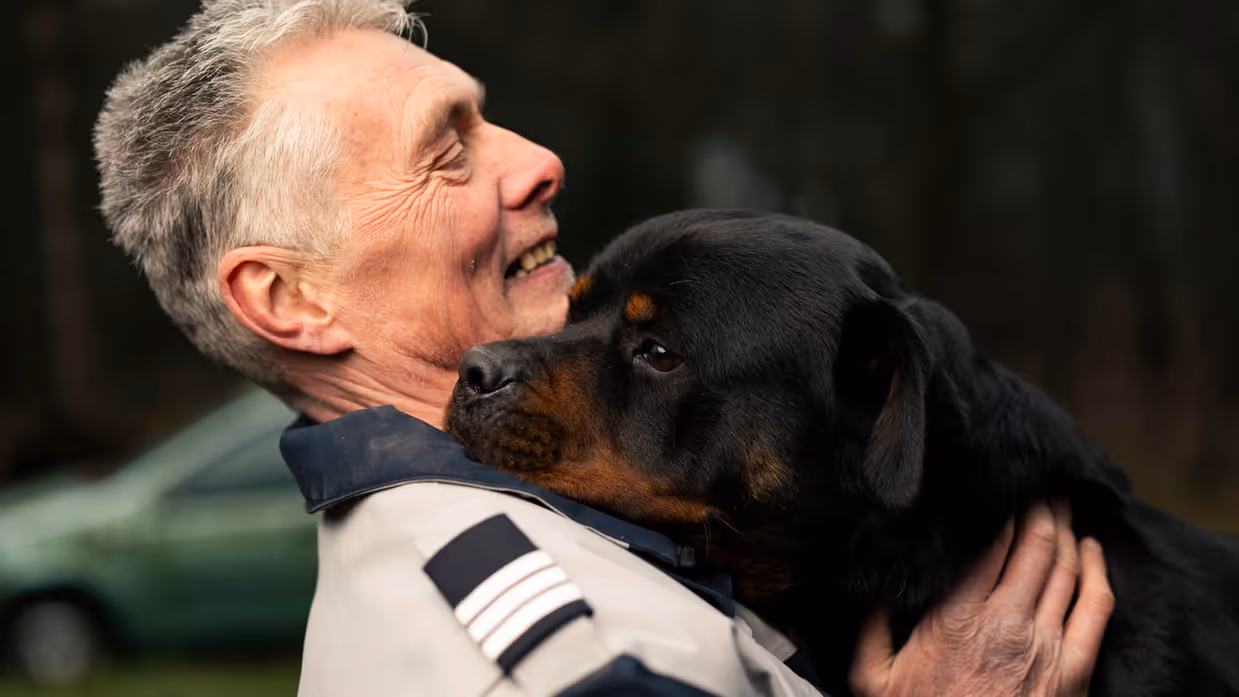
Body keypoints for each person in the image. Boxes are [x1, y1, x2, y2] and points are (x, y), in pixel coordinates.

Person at [92, 1, 1115, 695]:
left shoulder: (527, 533)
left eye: (489, 120)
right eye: (446, 150)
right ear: (289, 298)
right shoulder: (562, 644)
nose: (541, 161)